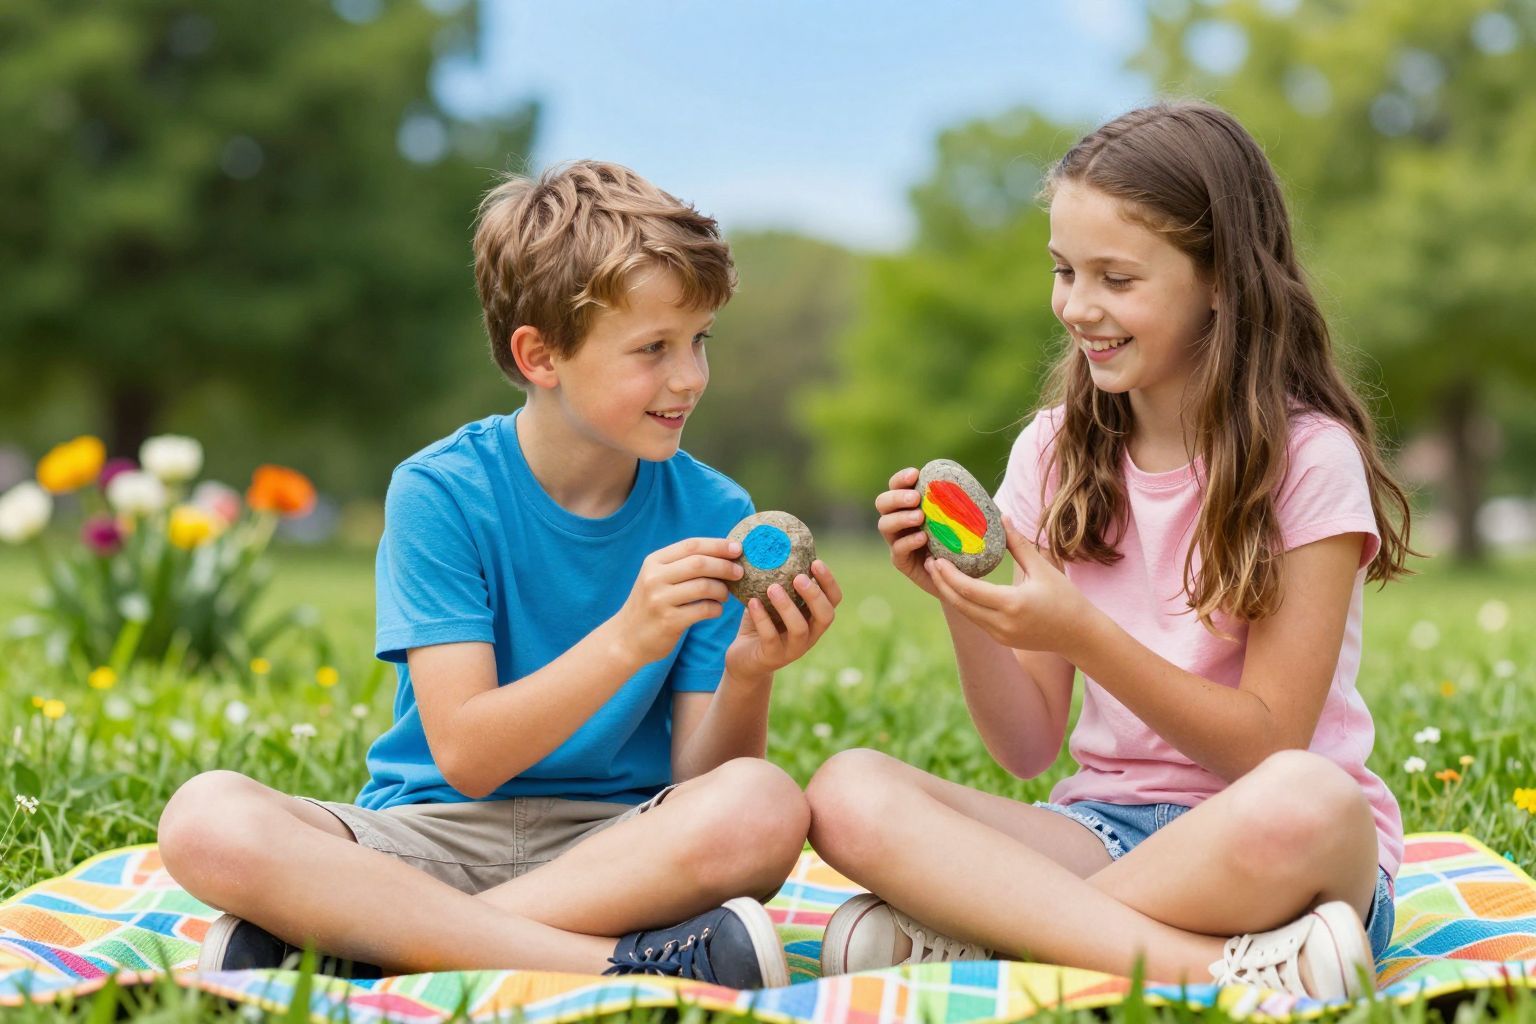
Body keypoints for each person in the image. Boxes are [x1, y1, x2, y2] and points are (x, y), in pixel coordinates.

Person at [158, 161, 842, 989]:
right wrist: (630, 637)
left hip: (616, 850)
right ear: (540, 355)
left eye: (699, 340)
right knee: (205, 819)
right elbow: (468, 758)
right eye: (653, 348)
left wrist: (746, 673)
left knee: (763, 804)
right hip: (431, 837)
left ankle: (374, 943)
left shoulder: (714, 506)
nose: (690, 376)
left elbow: (704, 783)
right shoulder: (442, 492)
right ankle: (607, 967)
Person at [807, 102, 1414, 1000]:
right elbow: (1025, 744)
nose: (1078, 308)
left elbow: (1269, 746)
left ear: (1221, 281)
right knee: (846, 789)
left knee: (1310, 798)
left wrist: (1085, 635)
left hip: (1269, 848)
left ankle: (994, 940)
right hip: (1106, 833)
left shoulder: (1310, 460)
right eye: (1063, 272)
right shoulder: (1052, 453)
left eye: (1117, 279)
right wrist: (961, 602)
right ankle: (1212, 970)